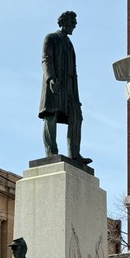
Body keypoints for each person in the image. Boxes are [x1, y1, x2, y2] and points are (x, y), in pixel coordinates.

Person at [39, 11, 92, 166]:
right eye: (71, 22)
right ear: (62, 22)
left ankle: (75, 154)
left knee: (76, 117)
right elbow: (46, 59)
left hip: (70, 90)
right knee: (51, 115)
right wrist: (50, 78)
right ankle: (51, 152)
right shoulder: (51, 38)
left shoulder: (69, 44)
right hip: (56, 83)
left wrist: (76, 96)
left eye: (75, 23)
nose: (74, 25)